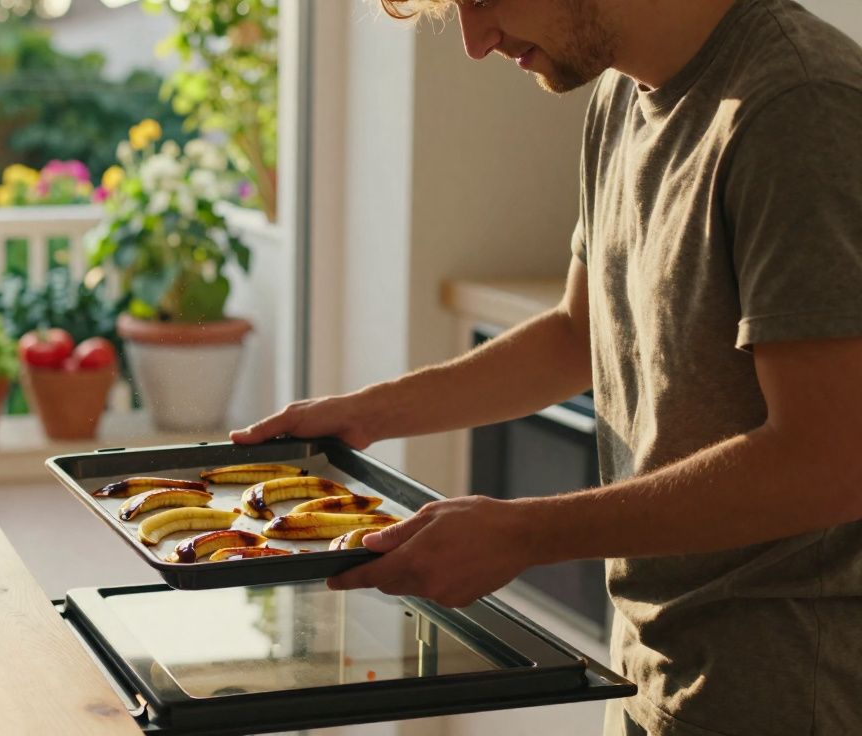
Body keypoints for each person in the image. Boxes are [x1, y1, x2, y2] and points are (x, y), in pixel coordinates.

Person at [231, 1, 862, 734]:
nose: (475, 42)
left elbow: (832, 458)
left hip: (784, 693)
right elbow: (576, 334)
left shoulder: (799, 107)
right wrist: (369, 412)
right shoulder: (620, 95)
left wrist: (524, 533)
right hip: (652, 668)